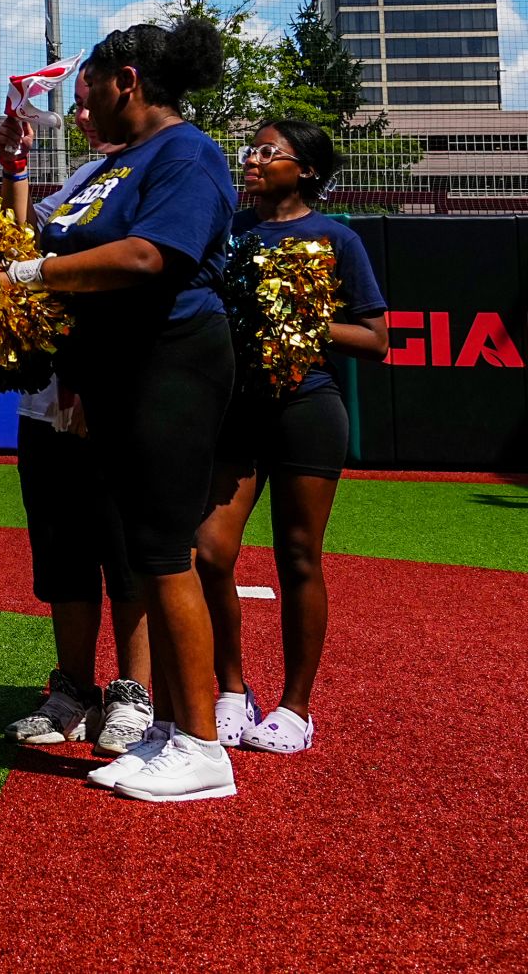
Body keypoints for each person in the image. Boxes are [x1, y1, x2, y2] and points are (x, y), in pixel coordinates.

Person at [0, 16, 238, 803]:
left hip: (173, 362)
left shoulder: (187, 154)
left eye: (89, 85)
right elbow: (63, 240)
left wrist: (28, 276)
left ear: (127, 81)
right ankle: (169, 728)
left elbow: (150, 254)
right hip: (117, 372)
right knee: (146, 547)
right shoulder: (118, 163)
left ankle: (203, 747)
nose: (81, 102)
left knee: (165, 553)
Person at [194, 118, 386, 756]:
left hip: (308, 408)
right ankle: (231, 691)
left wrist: (305, 323)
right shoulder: (232, 234)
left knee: (299, 557)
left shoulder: (335, 239)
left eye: (267, 153)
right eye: (250, 151)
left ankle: (296, 709)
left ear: (304, 168)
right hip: (237, 411)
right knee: (210, 553)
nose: (251, 160)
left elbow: (375, 339)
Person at [0, 97, 153, 759]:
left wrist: (92, 380)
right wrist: (15, 166)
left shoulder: (150, 175)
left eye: (93, 99)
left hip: (114, 396)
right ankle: (72, 690)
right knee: (62, 556)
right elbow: (19, 244)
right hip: (46, 404)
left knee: (127, 556)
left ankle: (134, 694)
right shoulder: (86, 180)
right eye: (78, 102)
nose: (83, 111)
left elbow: (132, 274)